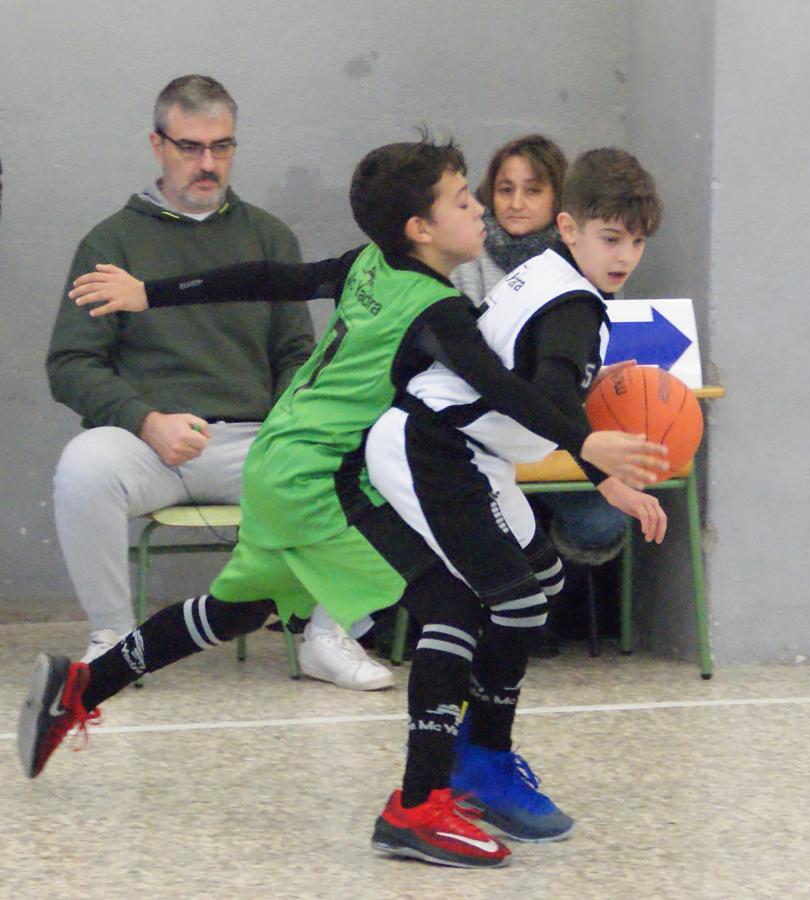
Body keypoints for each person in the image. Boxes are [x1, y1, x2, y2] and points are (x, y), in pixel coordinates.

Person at [20, 137, 666, 868]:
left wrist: (152, 293)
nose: (479, 207)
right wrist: (589, 448)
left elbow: (268, 277)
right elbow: (504, 388)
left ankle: (80, 687)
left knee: (238, 610)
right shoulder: (440, 310)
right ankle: (418, 807)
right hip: (322, 474)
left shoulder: (367, 266)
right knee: (455, 604)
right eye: (462, 200)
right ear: (421, 229)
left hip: (278, 459)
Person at [45, 74, 392, 690]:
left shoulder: (267, 237)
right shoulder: (110, 242)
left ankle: (328, 635)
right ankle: (113, 642)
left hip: (258, 440)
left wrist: (293, 426)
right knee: (82, 466)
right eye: (190, 147)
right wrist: (146, 421)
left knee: (375, 463)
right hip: (151, 443)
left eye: (222, 147)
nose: (208, 164)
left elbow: (296, 354)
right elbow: (71, 364)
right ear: (157, 146)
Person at [365, 144, 666, 852]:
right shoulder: (573, 309)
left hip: (471, 451)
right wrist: (596, 456)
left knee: (542, 578)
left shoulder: (548, 272)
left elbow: (534, 400)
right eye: (610, 237)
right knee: (513, 601)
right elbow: (552, 400)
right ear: (570, 227)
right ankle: (467, 770)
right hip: (437, 450)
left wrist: (601, 473)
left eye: (638, 241)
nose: (624, 255)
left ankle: (476, 752)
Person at [451, 135, 629, 580]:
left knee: (601, 521)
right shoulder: (466, 260)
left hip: (555, 439)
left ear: (560, 204)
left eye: (533, 190)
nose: (516, 202)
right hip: (484, 431)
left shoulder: (591, 260)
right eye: (505, 189)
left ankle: (554, 604)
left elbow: (572, 366)